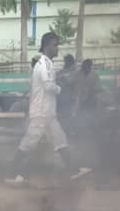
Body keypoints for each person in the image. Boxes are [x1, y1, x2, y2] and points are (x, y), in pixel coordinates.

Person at [7, 32, 91, 185]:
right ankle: (13, 174)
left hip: (47, 112)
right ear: (46, 46)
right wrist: (60, 88)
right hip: (41, 112)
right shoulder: (44, 64)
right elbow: (47, 85)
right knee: (29, 143)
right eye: (55, 45)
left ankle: (73, 170)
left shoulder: (47, 63)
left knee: (60, 140)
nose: (57, 48)